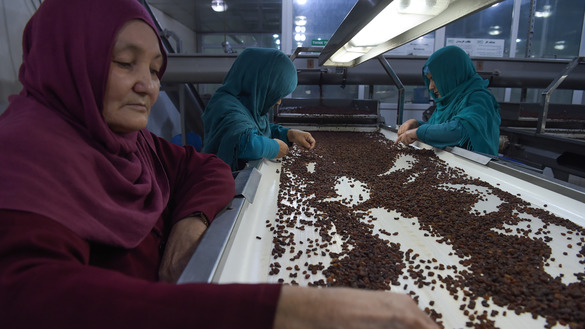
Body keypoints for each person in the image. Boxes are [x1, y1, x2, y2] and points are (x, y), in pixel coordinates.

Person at [0, 1, 438, 329]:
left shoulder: (129, 144)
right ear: (70, 59)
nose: (147, 86)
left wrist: (189, 220)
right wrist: (289, 310)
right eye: (123, 62)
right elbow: (34, 301)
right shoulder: (22, 162)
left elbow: (204, 168)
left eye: (155, 69)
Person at [202, 47, 316, 171]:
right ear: (260, 84)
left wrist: (289, 134)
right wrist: (274, 148)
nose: (278, 102)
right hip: (218, 184)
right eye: (275, 94)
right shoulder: (225, 105)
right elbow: (244, 142)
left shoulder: (249, 105)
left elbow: (255, 129)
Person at [395, 45, 501, 156]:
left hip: (477, 169)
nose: (430, 87)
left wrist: (418, 132)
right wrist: (416, 124)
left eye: (434, 79)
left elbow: (459, 131)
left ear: (450, 75)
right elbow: (440, 128)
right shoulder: (449, 101)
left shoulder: (479, 99)